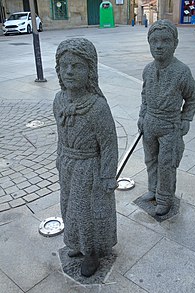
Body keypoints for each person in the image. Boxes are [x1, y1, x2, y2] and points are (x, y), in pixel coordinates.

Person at [53, 38, 118, 277]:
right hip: (68, 165)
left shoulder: (97, 107)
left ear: (90, 70)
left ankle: (91, 251)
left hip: (89, 168)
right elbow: (60, 134)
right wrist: (60, 156)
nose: (69, 71)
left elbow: (109, 144)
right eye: (64, 65)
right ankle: (76, 244)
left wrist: (108, 176)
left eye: (77, 66)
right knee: (68, 207)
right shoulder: (59, 100)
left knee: (87, 213)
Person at [138, 19, 195, 216]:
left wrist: (186, 119)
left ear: (175, 43)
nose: (159, 46)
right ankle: (152, 188)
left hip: (169, 125)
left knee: (167, 163)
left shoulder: (181, 71)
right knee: (151, 159)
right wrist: (142, 115)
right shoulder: (148, 69)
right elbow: (144, 94)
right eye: (154, 41)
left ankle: (165, 197)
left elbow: (193, 96)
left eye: (165, 41)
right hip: (150, 122)